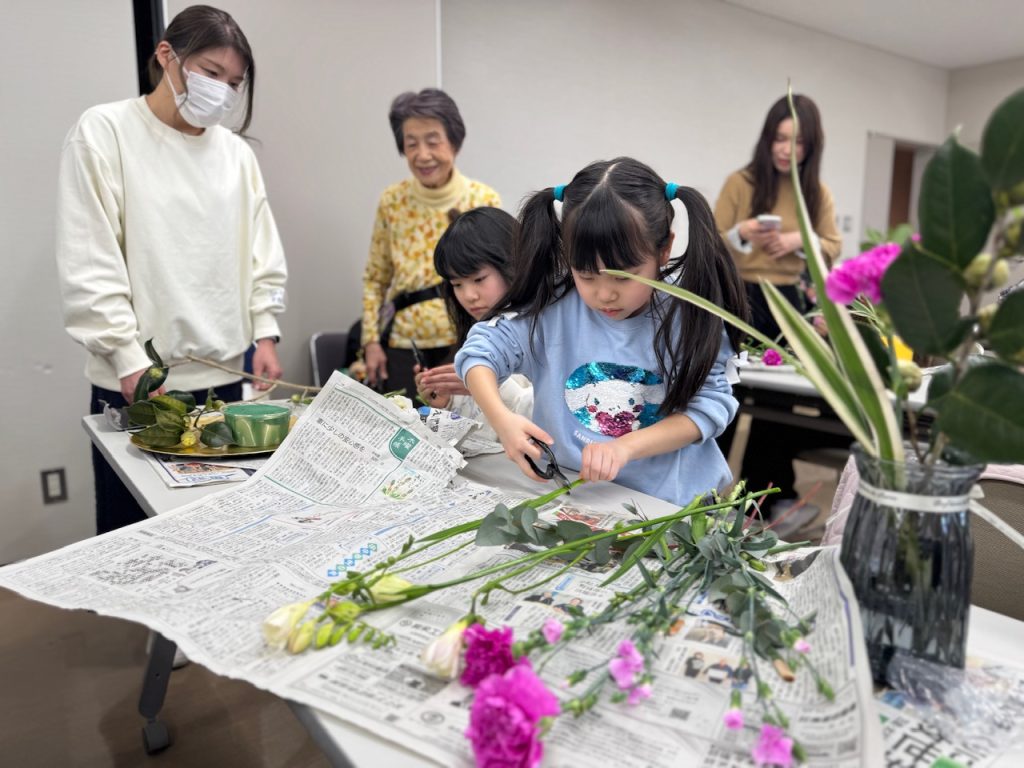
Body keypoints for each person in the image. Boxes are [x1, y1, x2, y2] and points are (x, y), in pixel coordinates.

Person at [56, 5, 287, 535]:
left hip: (226, 380)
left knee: (220, 535)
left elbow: (262, 253)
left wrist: (265, 332)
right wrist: (126, 358)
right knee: (137, 537)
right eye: (210, 72)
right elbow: (90, 260)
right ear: (167, 55)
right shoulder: (105, 132)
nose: (222, 92)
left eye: (234, 83)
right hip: (139, 386)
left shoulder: (235, 155)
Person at [455, 158, 748, 506]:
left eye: (623, 277)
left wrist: (625, 447)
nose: (605, 294)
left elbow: (710, 407)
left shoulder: (688, 317)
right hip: (575, 495)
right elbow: (482, 351)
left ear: (664, 250)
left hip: (667, 503)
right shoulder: (552, 310)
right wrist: (502, 420)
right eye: (586, 276)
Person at [713, 94, 845, 524]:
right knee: (725, 392)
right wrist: (744, 232)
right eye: (781, 138)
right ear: (768, 138)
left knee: (777, 402)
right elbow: (713, 241)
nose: (788, 149)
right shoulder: (741, 183)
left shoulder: (816, 193)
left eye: (799, 142)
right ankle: (705, 492)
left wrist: (796, 240)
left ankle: (762, 501)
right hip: (739, 297)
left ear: (812, 146)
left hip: (788, 303)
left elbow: (832, 246)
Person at [361, 88, 501, 398]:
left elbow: (503, 278)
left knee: (464, 424)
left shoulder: (483, 199)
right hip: (403, 343)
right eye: (411, 144)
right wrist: (371, 342)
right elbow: (375, 278)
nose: (422, 155)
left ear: (455, 141)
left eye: (433, 141)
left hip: (467, 340)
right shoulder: (392, 201)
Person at [415, 207, 532, 442]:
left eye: (479, 279)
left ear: (514, 264)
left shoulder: (550, 325)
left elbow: (551, 413)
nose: (469, 296)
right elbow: (486, 436)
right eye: (457, 285)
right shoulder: (482, 333)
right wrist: (449, 402)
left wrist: (489, 383)